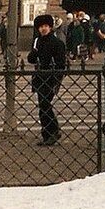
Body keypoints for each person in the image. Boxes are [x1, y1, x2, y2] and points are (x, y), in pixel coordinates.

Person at [27, 13, 67, 146]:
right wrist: (34, 51)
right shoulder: (38, 41)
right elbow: (31, 59)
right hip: (40, 78)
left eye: (45, 26)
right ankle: (48, 133)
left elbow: (61, 63)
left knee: (44, 105)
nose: (43, 29)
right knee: (43, 106)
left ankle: (53, 131)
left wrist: (57, 80)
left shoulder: (57, 43)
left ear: (50, 27)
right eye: (41, 27)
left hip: (50, 78)